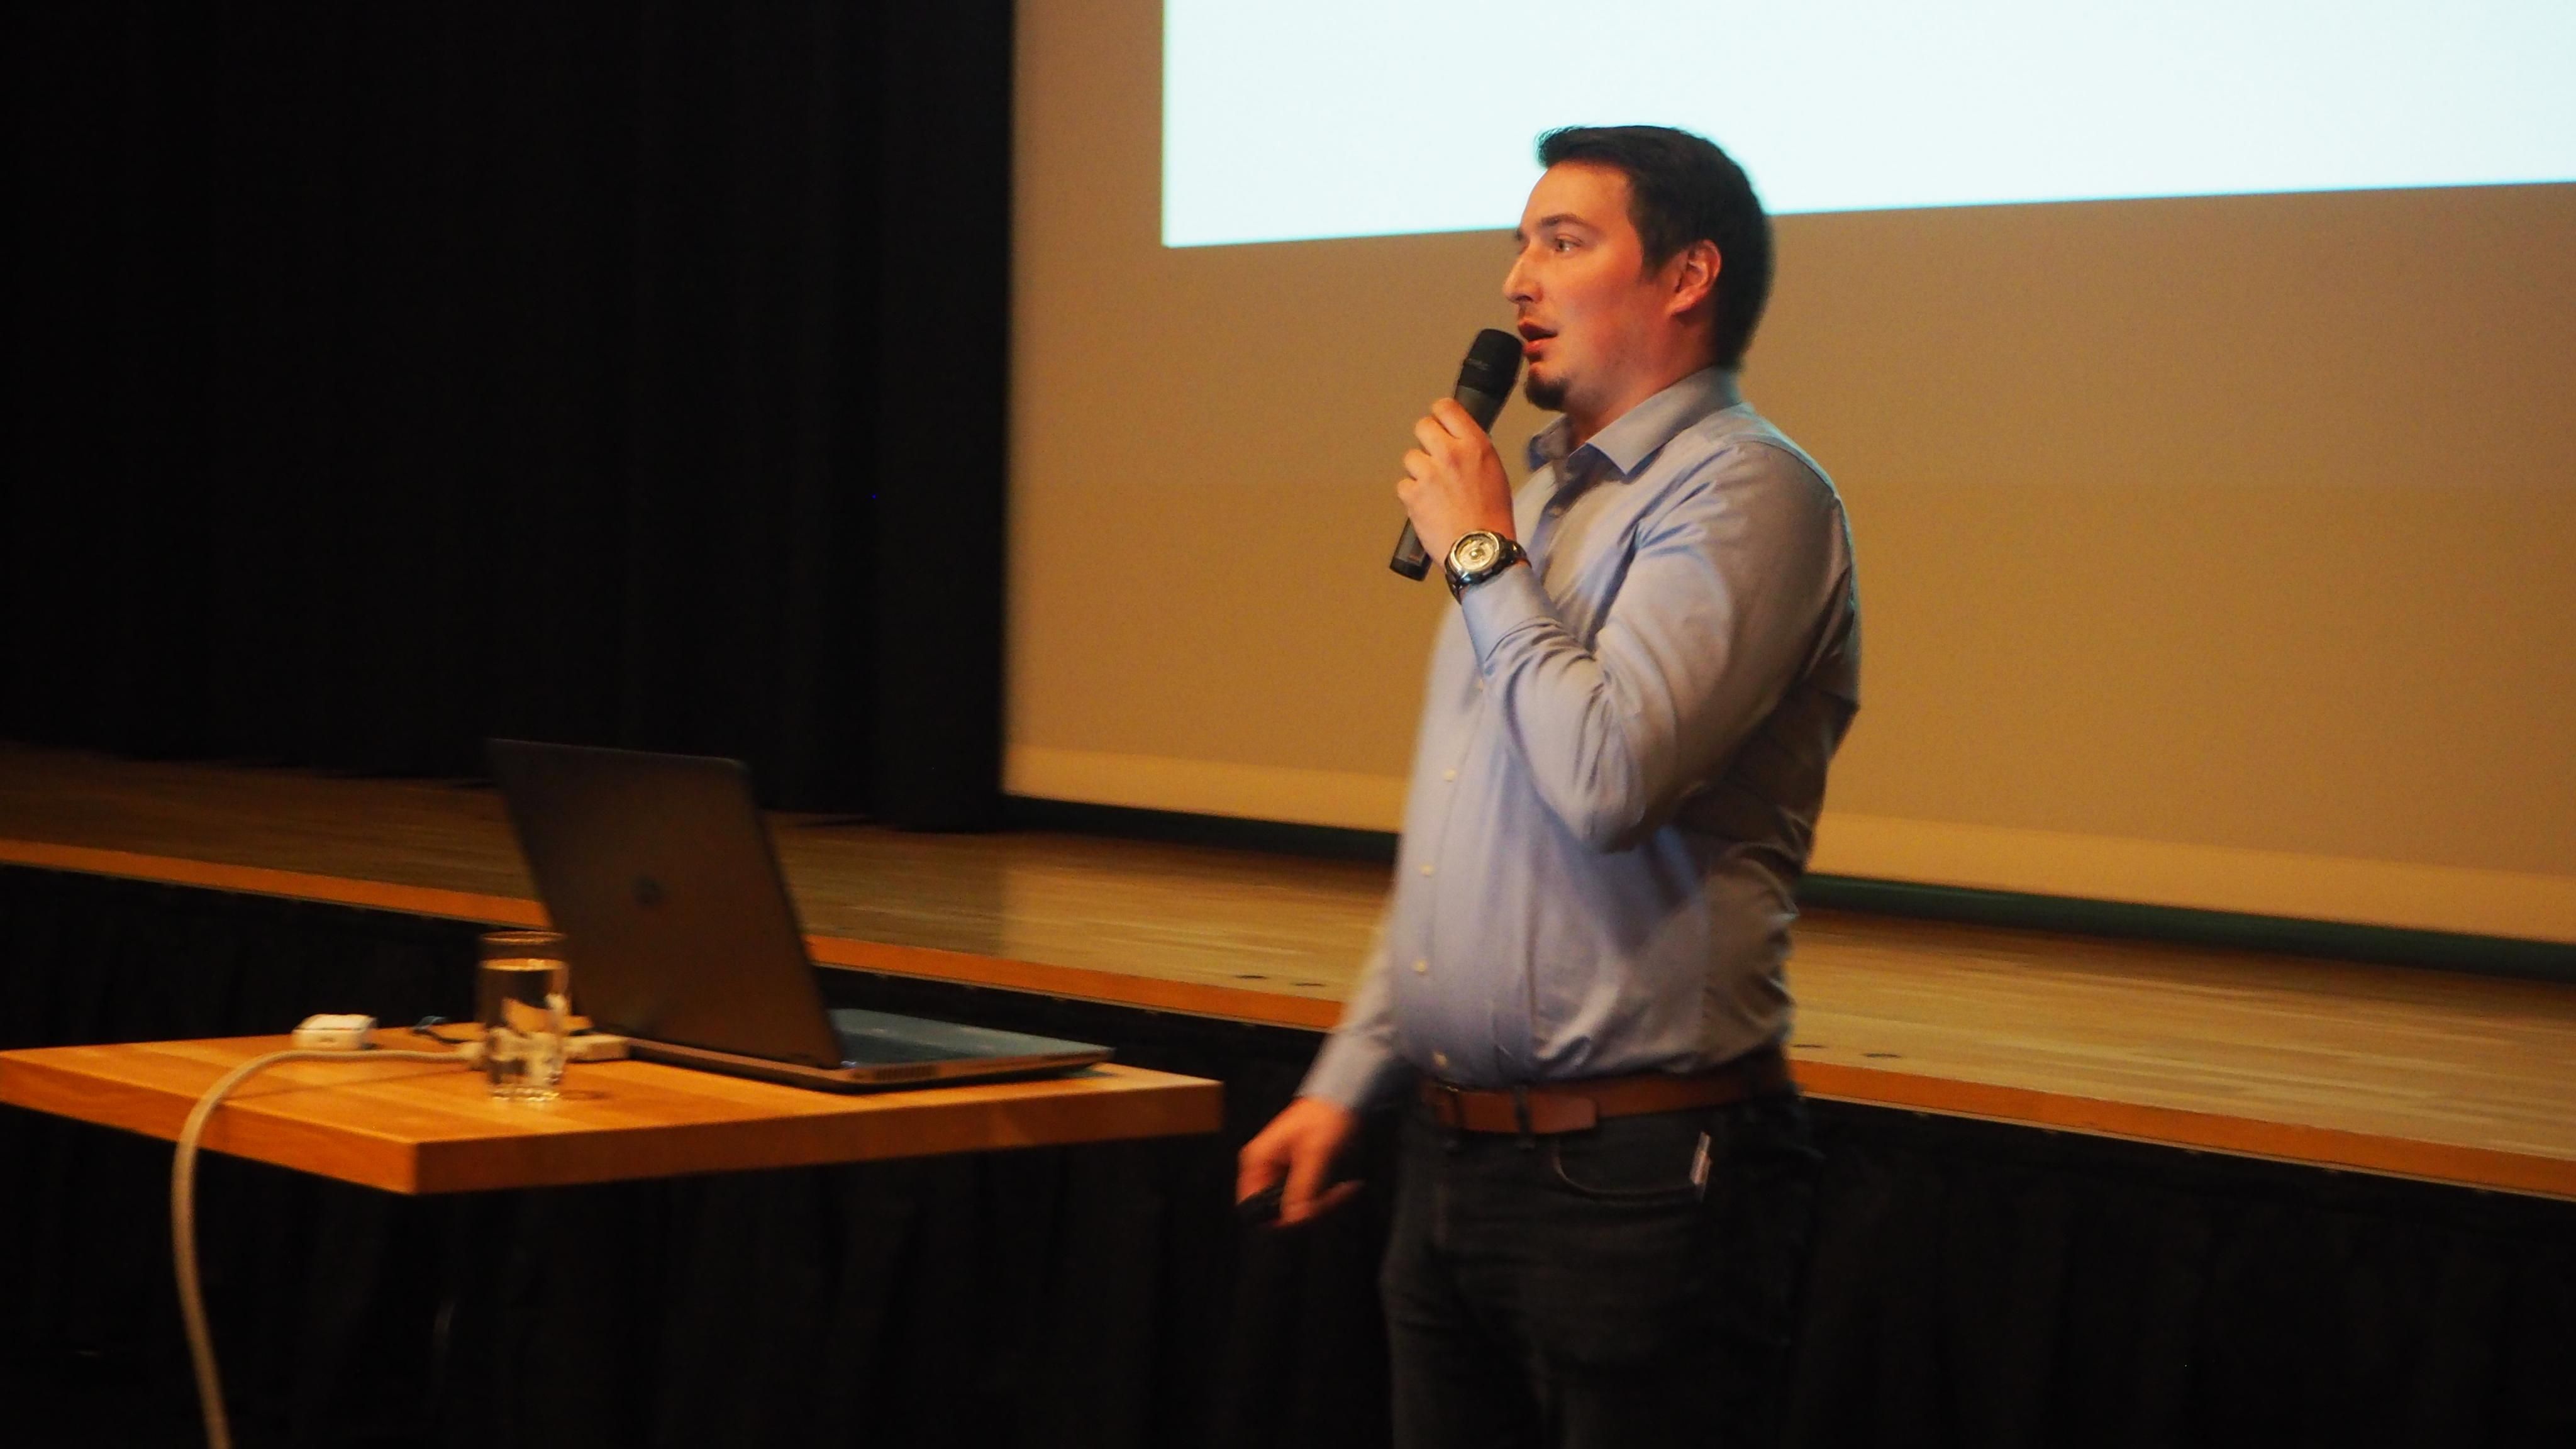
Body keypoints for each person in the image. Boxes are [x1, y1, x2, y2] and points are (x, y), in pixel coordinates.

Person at [1236, 124, 1862, 1448]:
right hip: (1448, 1160)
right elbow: (1460, 858)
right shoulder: (1535, 510)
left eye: (1563, 243)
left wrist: (1478, 553)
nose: (1517, 279)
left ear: (1686, 276)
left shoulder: (1750, 494)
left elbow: (1605, 780)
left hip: (1636, 1179)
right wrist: (1344, 1082)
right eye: (1520, 243)